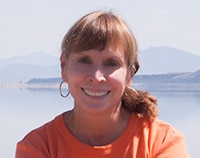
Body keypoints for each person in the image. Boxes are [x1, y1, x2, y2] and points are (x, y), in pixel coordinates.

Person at [15, 10, 190, 158]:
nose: (97, 77)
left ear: (130, 73)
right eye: (84, 60)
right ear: (64, 66)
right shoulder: (38, 146)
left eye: (111, 63)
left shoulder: (162, 141)